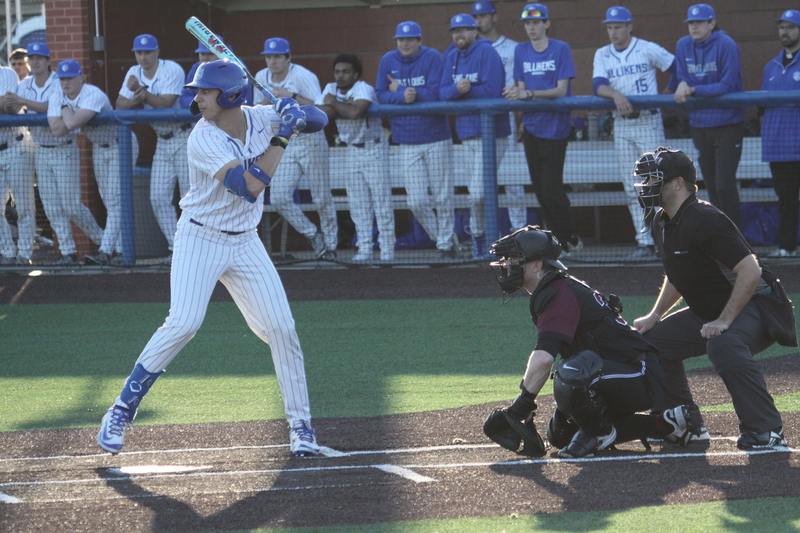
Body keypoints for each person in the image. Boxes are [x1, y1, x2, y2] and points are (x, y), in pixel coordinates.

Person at [97, 59, 328, 457]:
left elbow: (321, 118)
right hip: (200, 237)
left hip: (246, 242)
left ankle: (301, 424)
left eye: (205, 91)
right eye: (197, 91)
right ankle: (120, 410)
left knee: (282, 328)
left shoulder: (261, 117)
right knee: (184, 322)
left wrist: (294, 110)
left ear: (232, 95)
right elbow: (250, 186)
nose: (197, 97)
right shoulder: (202, 138)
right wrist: (285, 135)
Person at [632, 147, 796, 449]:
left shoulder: (706, 219)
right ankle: (685, 423)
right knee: (650, 343)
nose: (645, 187)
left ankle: (767, 430)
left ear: (678, 183)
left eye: (653, 180)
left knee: (724, 342)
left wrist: (724, 320)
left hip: (759, 306)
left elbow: (750, 269)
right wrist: (655, 316)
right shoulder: (661, 219)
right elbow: (679, 273)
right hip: (711, 310)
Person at [484, 225, 692, 459]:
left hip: (639, 373)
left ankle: (599, 435)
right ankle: (665, 424)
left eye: (514, 259)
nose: (507, 265)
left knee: (571, 375)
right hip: (619, 370)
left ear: (536, 264)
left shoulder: (556, 292)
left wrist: (521, 405)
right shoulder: (553, 288)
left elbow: (543, 359)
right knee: (560, 434)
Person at [593, 6, 676, 261]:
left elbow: (676, 68)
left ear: (629, 26)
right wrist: (616, 94)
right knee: (633, 187)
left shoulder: (646, 47)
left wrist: (666, 97)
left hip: (648, 121)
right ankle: (644, 242)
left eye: (617, 26)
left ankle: (667, 239)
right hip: (622, 123)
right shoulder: (602, 53)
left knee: (657, 184)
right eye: (609, 27)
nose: (613, 31)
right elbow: (598, 85)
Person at [8, 42, 102, 265]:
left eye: (40, 57)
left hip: (63, 148)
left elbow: (49, 106)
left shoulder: (58, 82)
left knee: (71, 205)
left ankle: (105, 242)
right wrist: (10, 102)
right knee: (51, 207)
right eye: (32, 57)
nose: (35, 61)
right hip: (40, 149)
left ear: (48, 60)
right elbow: (15, 110)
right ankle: (68, 252)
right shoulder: (25, 84)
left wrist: (22, 102)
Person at [503, 4, 583, 259]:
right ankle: (557, 243)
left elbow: (561, 90)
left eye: (536, 23)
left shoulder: (560, 48)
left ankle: (568, 237)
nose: (532, 27)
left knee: (551, 189)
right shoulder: (521, 50)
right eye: (527, 23)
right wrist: (518, 95)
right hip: (532, 127)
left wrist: (528, 94)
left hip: (556, 128)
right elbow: (521, 87)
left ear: (546, 24)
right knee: (539, 189)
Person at [376, 21, 459, 258]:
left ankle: (444, 247)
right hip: (406, 139)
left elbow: (437, 92)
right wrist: (402, 95)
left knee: (443, 196)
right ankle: (445, 238)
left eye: (410, 39)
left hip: (436, 137)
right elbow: (380, 94)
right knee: (416, 201)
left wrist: (402, 89)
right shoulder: (388, 60)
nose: (404, 43)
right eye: (401, 39)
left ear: (419, 40)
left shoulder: (432, 57)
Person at [254, 37, 337, 260]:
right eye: (269, 56)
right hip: (286, 140)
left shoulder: (303, 75)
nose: (272, 61)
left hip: (311, 138)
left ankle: (331, 246)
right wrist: (270, 104)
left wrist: (291, 97)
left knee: (321, 198)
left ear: (288, 57)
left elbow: (320, 108)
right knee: (279, 197)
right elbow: (256, 109)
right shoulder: (261, 77)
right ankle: (313, 234)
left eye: (277, 57)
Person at [440, 13, 510, 259]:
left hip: (493, 133)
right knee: (475, 192)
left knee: (480, 192)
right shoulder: (451, 57)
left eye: (464, 30)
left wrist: (461, 94)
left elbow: (493, 91)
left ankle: (486, 236)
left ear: (474, 32)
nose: (459, 35)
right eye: (455, 31)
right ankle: (482, 239)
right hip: (467, 133)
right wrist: (456, 89)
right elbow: (442, 92)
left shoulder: (487, 52)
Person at [316, 53, 395, 263]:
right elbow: (319, 112)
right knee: (358, 204)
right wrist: (340, 104)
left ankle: (387, 251)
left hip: (374, 148)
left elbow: (355, 113)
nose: (340, 76)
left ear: (356, 74)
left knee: (381, 202)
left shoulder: (363, 88)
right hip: (351, 150)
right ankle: (365, 249)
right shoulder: (330, 88)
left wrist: (334, 104)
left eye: (346, 72)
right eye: (337, 72)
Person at [117, 34, 190, 261]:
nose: (143, 57)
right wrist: (138, 97)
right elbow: (119, 106)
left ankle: (196, 248)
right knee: (158, 197)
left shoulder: (171, 69)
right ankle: (177, 249)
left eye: (147, 52)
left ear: (157, 52)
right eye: (139, 52)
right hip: (163, 141)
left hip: (184, 137)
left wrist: (141, 92)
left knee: (190, 199)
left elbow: (166, 104)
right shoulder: (133, 72)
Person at [673, 4, 745, 229]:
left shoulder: (726, 44)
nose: (694, 27)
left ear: (711, 23)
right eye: (691, 23)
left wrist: (693, 89)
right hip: (699, 123)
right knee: (712, 187)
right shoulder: (683, 45)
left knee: (724, 185)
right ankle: (719, 236)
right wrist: (683, 83)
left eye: (699, 22)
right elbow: (681, 77)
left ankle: (737, 237)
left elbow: (728, 84)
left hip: (728, 123)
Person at [46, 60, 122, 266]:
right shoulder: (56, 94)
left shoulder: (92, 93)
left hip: (120, 144)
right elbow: (56, 130)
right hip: (99, 145)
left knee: (115, 200)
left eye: (70, 77)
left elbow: (69, 124)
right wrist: (66, 111)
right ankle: (120, 250)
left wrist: (63, 108)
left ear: (81, 78)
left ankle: (106, 251)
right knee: (108, 199)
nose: (66, 82)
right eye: (62, 78)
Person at [472, 0, 528, 232]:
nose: (479, 21)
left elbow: (522, 84)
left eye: (483, 16)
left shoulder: (513, 48)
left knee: (513, 178)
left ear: (494, 17)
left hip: (507, 118)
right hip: (478, 120)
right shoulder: (470, 49)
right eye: (475, 17)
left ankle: (521, 231)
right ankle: (482, 235)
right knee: (478, 182)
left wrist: (522, 117)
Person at [760, 9, 800, 258]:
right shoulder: (771, 67)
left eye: (791, 27)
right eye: (781, 27)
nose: (784, 31)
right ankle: (787, 246)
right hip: (780, 147)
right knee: (786, 199)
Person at [0, 61, 34, 265]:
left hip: (15, 145)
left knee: (25, 206)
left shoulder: (7, 73)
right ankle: (7, 253)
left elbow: (7, 106)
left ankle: (25, 254)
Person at [180, 38, 253, 110]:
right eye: (202, 54)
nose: (205, 58)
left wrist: (207, 104)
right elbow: (183, 99)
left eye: (210, 54)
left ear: (221, 53)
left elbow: (245, 102)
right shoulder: (197, 68)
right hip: (202, 116)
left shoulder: (236, 68)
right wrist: (204, 104)